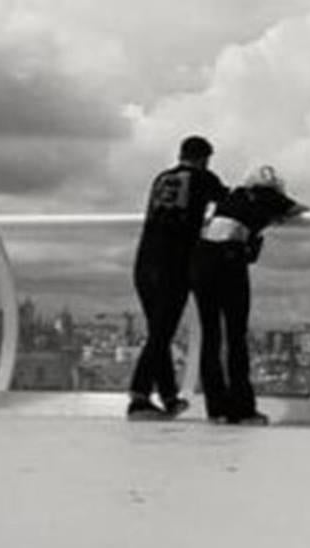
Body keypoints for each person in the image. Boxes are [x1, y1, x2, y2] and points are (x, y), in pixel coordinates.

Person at [192, 165, 308, 425]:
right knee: (235, 336)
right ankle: (242, 409)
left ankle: (217, 409)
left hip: (200, 261)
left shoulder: (230, 198)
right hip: (229, 261)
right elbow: (298, 210)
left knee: (210, 337)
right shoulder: (268, 197)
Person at [128, 135, 228, 420]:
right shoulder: (203, 178)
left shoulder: (161, 178)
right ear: (204, 158)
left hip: (145, 261)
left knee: (158, 332)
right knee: (161, 333)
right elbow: (226, 199)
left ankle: (170, 398)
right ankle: (139, 396)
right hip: (174, 263)